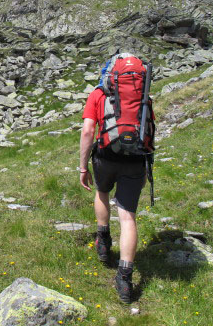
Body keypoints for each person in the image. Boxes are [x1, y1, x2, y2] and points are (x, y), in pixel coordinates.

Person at [79, 80, 148, 304]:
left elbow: (89, 130)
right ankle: (125, 279)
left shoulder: (98, 93)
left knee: (102, 192)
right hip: (136, 159)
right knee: (127, 217)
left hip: (106, 157)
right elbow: (149, 131)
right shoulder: (142, 94)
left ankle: (103, 240)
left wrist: (82, 166)